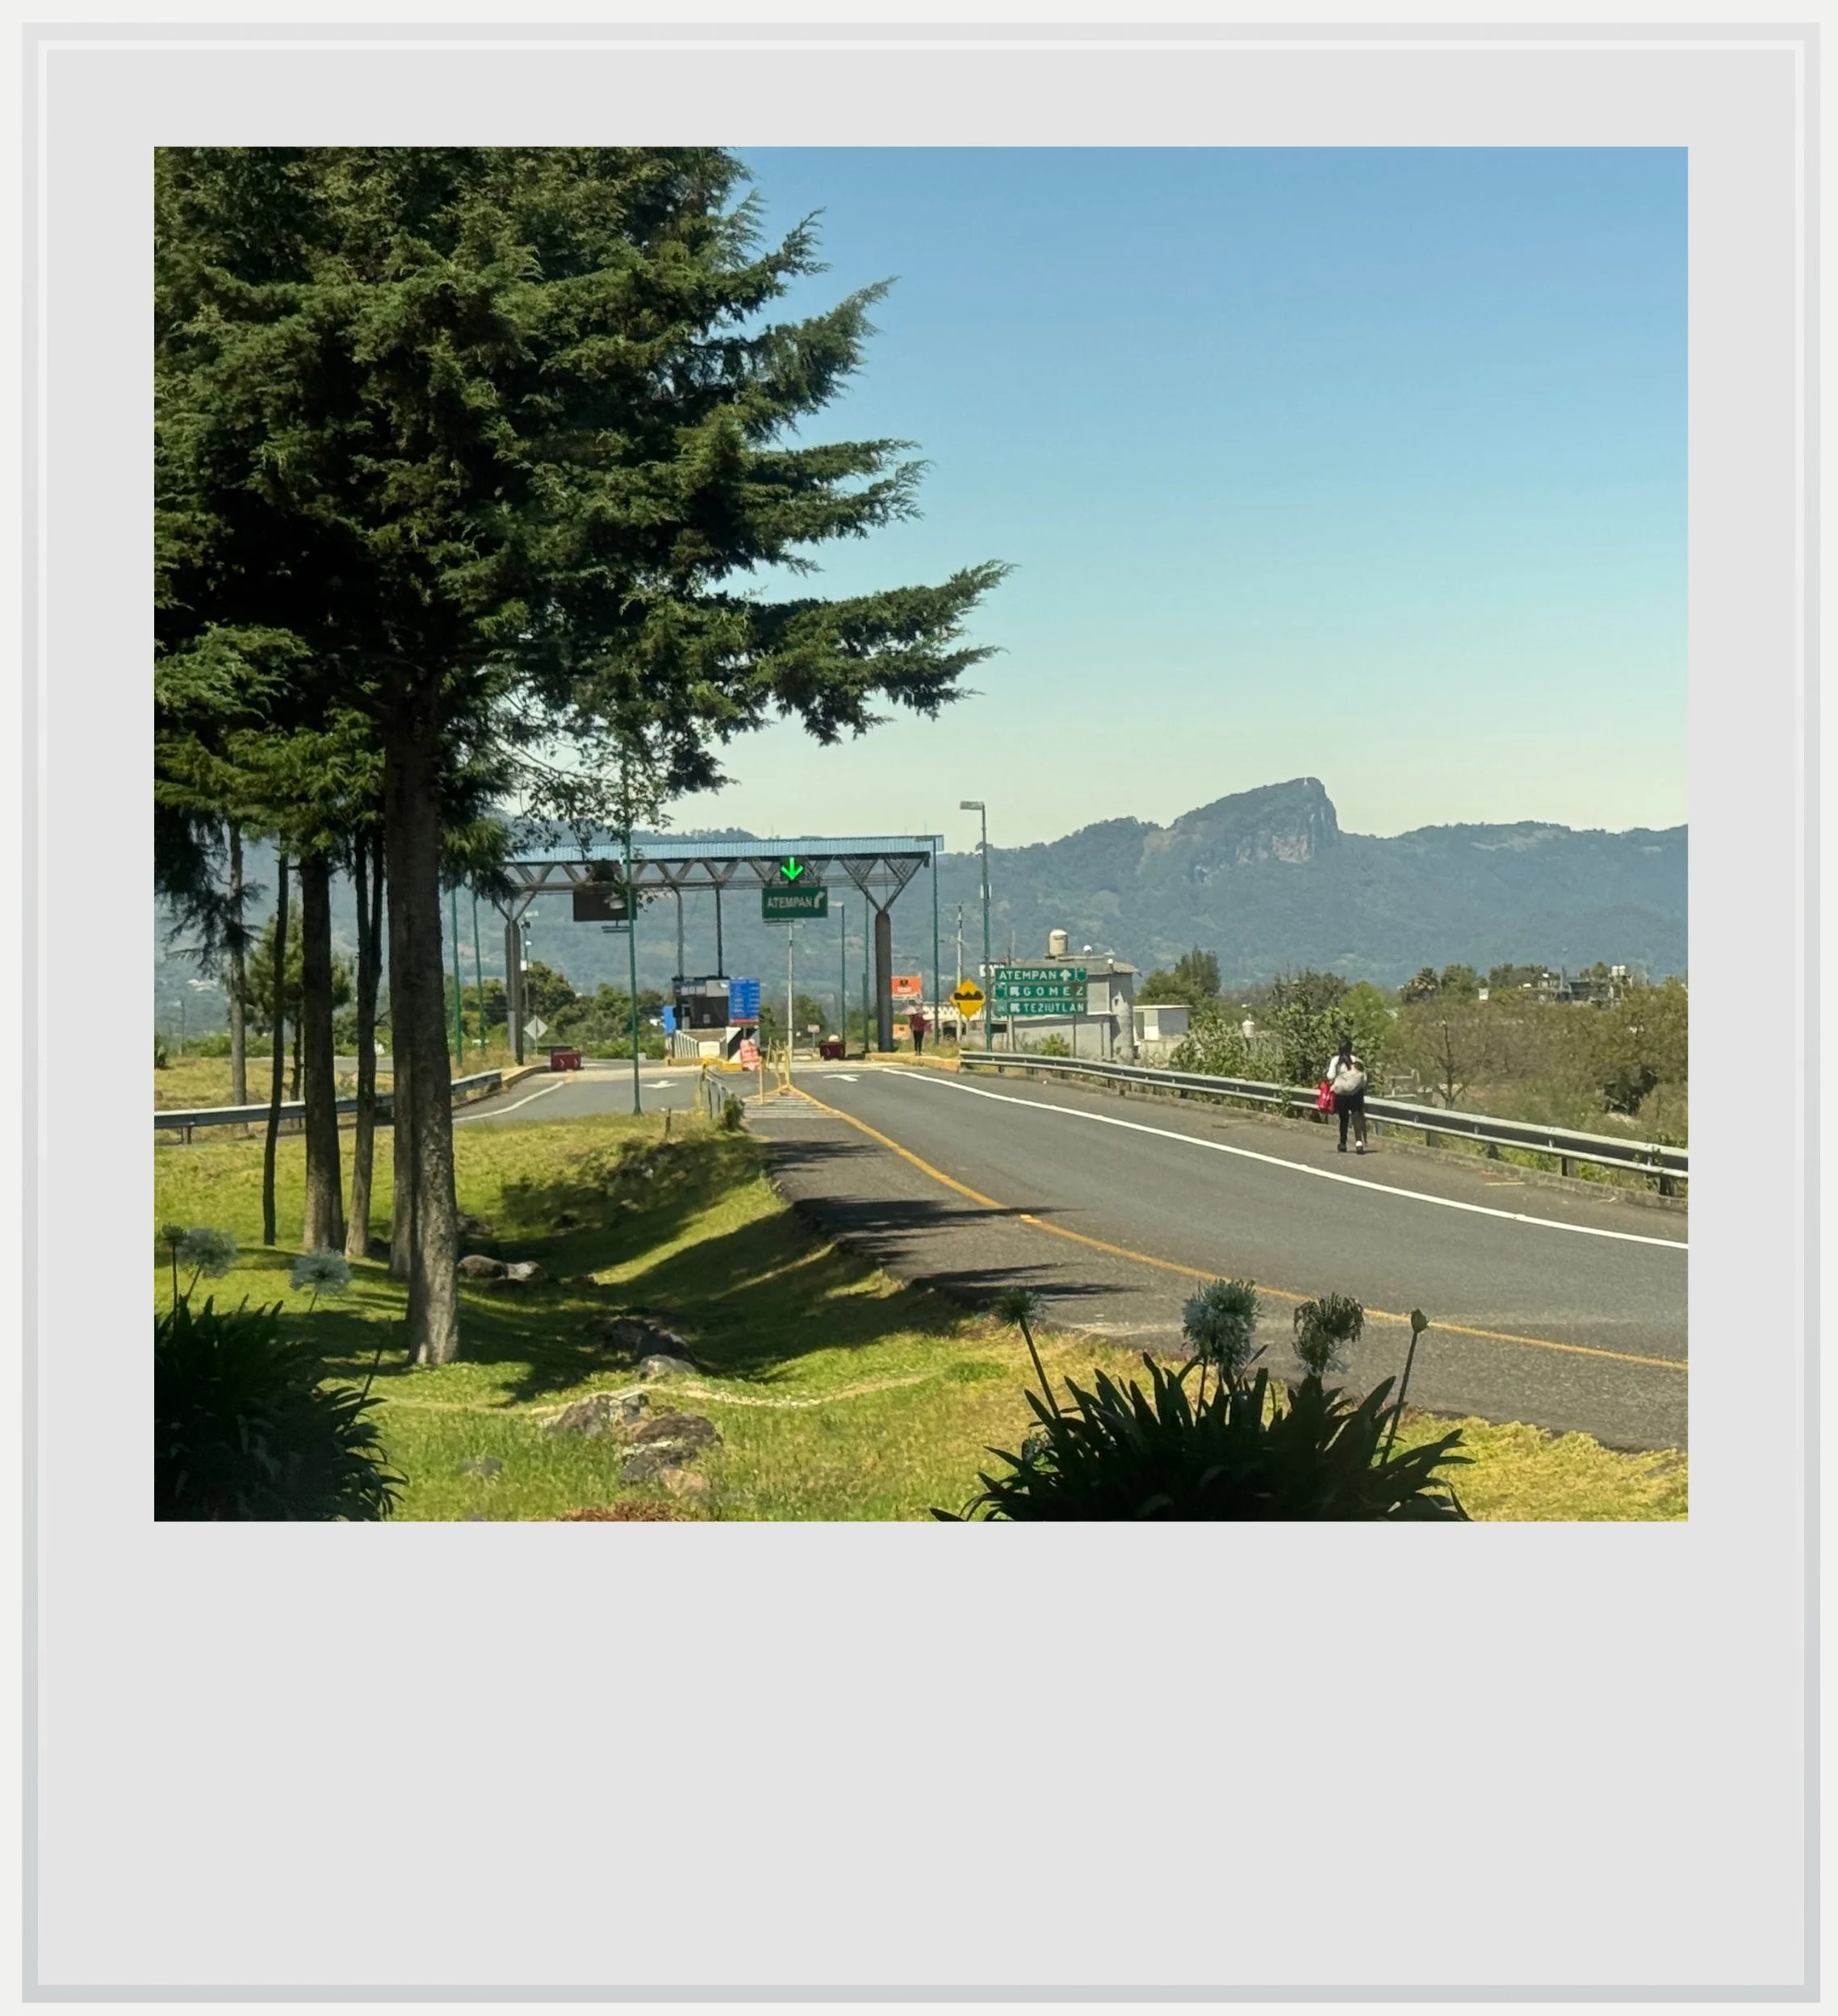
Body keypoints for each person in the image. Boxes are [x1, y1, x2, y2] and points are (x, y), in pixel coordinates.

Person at [1326, 1032, 1368, 1153]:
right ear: (1351, 1049)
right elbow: (1363, 1079)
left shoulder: (1336, 1061)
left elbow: (1330, 1076)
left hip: (1341, 1095)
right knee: (1356, 1117)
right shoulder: (1356, 1061)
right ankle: (1359, 1142)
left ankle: (1343, 1143)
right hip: (1355, 1094)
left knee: (1343, 1119)